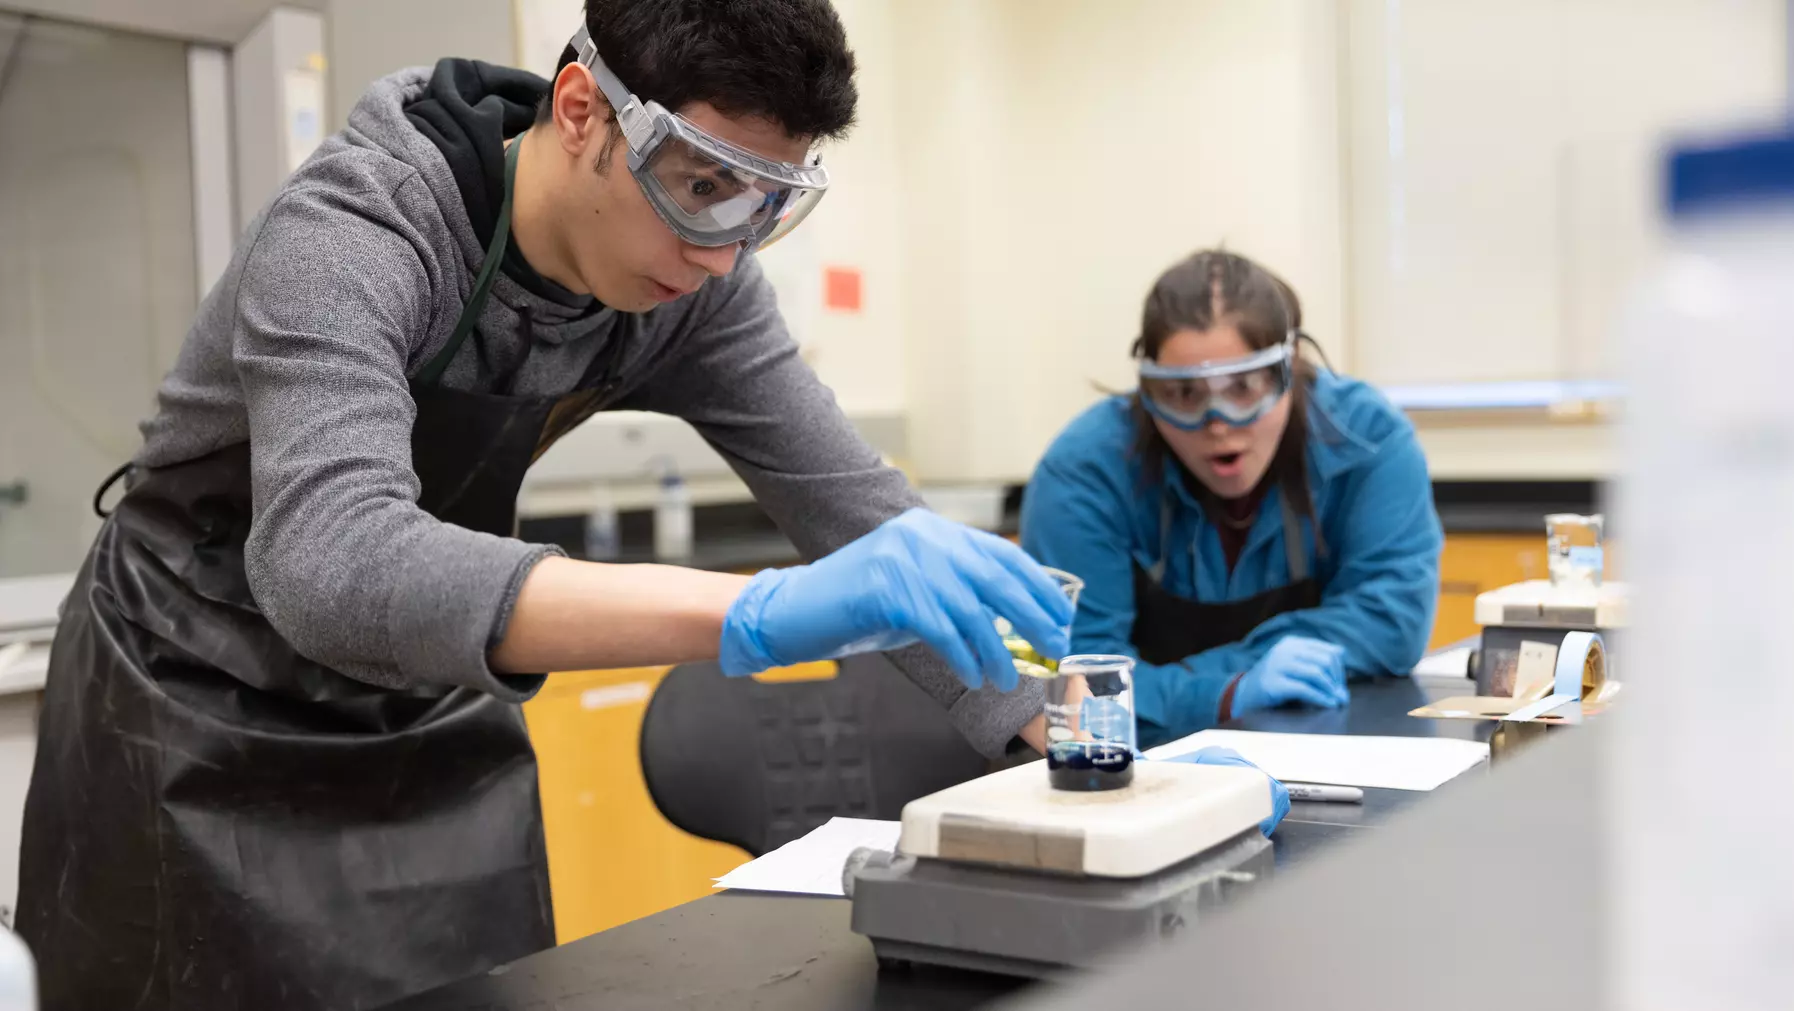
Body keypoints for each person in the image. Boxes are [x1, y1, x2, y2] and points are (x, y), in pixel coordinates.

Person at [14, 4, 1075, 1009]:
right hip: (192, 696)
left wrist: (1061, 728)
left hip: (425, 689)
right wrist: (746, 614)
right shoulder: (357, 229)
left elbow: (854, 510)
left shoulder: (698, 291)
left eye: (767, 206)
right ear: (581, 111)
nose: (720, 252)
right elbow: (329, 562)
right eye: (702, 184)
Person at [1020, 250, 1443, 749]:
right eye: (1183, 395)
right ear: (1148, 390)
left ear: (1288, 370)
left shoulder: (1367, 438)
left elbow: (1390, 621)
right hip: (1138, 763)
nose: (1217, 424)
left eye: (1244, 388)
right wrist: (1225, 691)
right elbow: (1081, 684)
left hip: (1318, 745)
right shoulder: (1085, 471)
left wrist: (1176, 684)